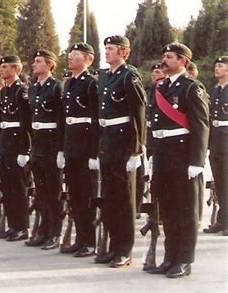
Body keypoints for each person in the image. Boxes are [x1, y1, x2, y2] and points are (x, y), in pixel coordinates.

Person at [148, 43, 209, 278]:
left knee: (186, 211)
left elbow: (200, 125)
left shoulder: (191, 88)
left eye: (170, 57)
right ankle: (170, 257)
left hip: (183, 156)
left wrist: (197, 160)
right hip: (163, 155)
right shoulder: (160, 87)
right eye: (164, 56)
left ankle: (184, 260)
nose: (165, 60)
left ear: (183, 61)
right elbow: (155, 126)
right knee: (169, 210)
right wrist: (153, 155)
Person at [95, 36, 146, 267]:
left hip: (123, 142)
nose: (106, 52)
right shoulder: (105, 77)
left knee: (124, 200)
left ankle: (124, 250)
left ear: (124, 52)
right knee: (110, 198)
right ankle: (114, 245)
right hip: (107, 142)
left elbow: (138, 114)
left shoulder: (129, 76)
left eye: (111, 49)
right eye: (105, 48)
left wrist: (136, 150)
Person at [60, 43, 98, 257]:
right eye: (70, 55)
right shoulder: (70, 84)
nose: (70, 58)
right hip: (72, 145)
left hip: (84, 145)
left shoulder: (91, 83)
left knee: (86, 195)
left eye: (75, 55)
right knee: (74, 195)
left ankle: (89, 241)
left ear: (88, 60)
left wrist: (94, 153)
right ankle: (80, 239)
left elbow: (94, 120)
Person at [24, 49, 64, 250]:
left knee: (53, 191)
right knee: (41, 192)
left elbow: (60, 120)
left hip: (51, 144)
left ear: (49, 65)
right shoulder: (33, 89)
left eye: (38, 61)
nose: (34, 64)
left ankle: (54, 233)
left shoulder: (56, 87)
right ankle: (42, 230)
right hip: (38, 145)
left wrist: (60, 150)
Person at [0, 55, 31, 241]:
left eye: (6, 67)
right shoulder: (4, 91)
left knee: (18, 186)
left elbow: (25, 123)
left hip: (17, 142)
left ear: (16, 69)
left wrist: (25, 150)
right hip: (5, 140)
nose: (1, 69)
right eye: (1, 66)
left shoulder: (21, 91)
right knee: (7, 185)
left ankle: (22, 226)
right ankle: (12, 224)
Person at [203, 56, 228, 236]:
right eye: (216, 65)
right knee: (219, 182)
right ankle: (221, 220)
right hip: (216, 139)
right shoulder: (215, 90)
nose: (216, 69)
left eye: (220, 66)